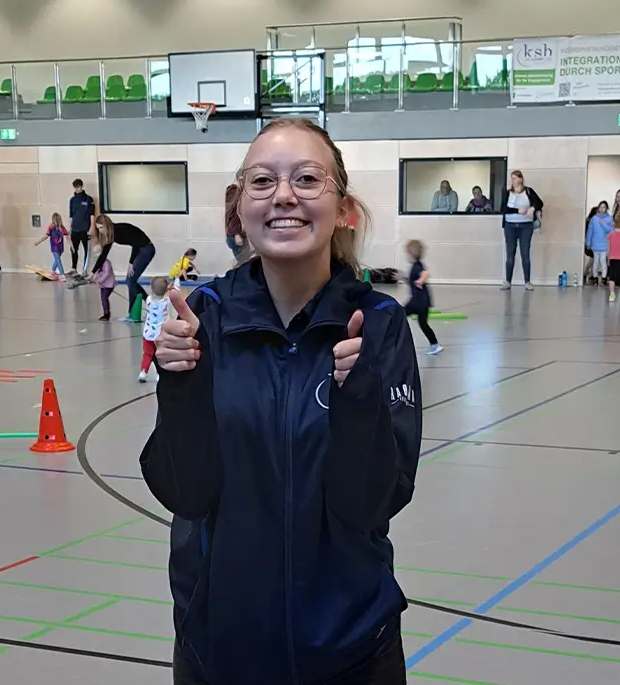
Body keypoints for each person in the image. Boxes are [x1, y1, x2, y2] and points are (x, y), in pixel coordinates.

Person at [140, 118, 419, 685]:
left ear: (343, 208)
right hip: (221, 648)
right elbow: (185, 492)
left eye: (308, 179)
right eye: (262, 181)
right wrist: (180, 386)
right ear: (238, 209)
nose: (284, 195)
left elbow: (373, 504)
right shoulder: (205, 317)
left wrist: (358, 399)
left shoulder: (379, 325)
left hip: (352, 649)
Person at [92, 215, 155, 322]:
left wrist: (131, 262)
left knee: (130, 281)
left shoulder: (119, 230)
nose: (100, 231)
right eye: (98, 229)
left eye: (101, 228)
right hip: (141, 250)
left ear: (107, 225)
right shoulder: (111, 235)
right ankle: (132, 314)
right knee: (131, 281)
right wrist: (94, 271)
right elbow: (103, 255)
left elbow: (136, 242)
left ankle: (152, 306)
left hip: (146, 249)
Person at [499, 170, 544, 291]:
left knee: (525, 254)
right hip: (510, 226)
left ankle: (527, 282)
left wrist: (533, 208)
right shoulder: (507, 193)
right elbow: (503, 208)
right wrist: (517, 211)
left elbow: (540, 203)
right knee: (510, 254)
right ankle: (508, 281)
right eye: (512, 178)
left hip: (525, 226)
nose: (512, 181)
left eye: (514, 178)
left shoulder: (529, 191)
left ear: (520, 179)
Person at [404, 239, 442, 355]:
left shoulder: (418, 266)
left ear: (411, 254)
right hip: (423, 302)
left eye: (407, 253)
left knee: (399, 314)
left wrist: (421, 280)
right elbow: (412, 282)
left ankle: (397, 341)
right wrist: (403, 278)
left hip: (418, 302)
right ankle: (435, 344)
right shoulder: (416, 266)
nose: (406, 255)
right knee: (423, 324)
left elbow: (425, 274)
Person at [139, 276, 171, 383]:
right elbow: (170, 295)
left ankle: (143, 372)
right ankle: (158, 374)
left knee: (147, 354)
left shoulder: (148, 300)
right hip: (160, 335)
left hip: (148, 334)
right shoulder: (166, 302)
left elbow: (154, 295)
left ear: (151, 289)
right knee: (160, 355)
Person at [68, 178, 95, 275]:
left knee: (87, 250)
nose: (76, 189)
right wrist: (70, 229)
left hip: (85, 229)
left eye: (78, 187)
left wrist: (92, 227)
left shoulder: (88, 199)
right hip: (75, 229)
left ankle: (85, 269)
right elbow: (71, 215)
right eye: (75, 187)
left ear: (81, 186)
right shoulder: (72, 200)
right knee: (73, 248)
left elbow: (92, 214)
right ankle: (73, 268)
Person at [34, 213, 69, 280]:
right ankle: (62, 274)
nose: (57, 221)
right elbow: (46, 236)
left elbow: (67, 236)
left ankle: (52, 270)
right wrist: (38, 242)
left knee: (57, 260)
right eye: (56, 220)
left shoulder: (62, 228)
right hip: (54, 247)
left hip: (60, 247)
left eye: (58, 220)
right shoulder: (51, 227)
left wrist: (71, 245)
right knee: (58, 260)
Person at [585, 202, 613, 286]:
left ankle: (604, 279)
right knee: (595, 263)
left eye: (604, 207)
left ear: (606, 208)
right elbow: (590, 231)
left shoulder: (609, 218)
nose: (602, 209)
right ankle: (595, 278)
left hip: (604, 245)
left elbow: (611, 230)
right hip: (595, 244)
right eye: (600, 207)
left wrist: (603, 224)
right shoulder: (594, 218)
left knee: (604, 262)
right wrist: (588, 243)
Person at [224, 183, 246, 259]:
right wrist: (236, 234)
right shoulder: (234, 207)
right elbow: (233, 218)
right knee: (242, 261)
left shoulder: (228, 207)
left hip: (232, 236)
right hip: (236, 236)